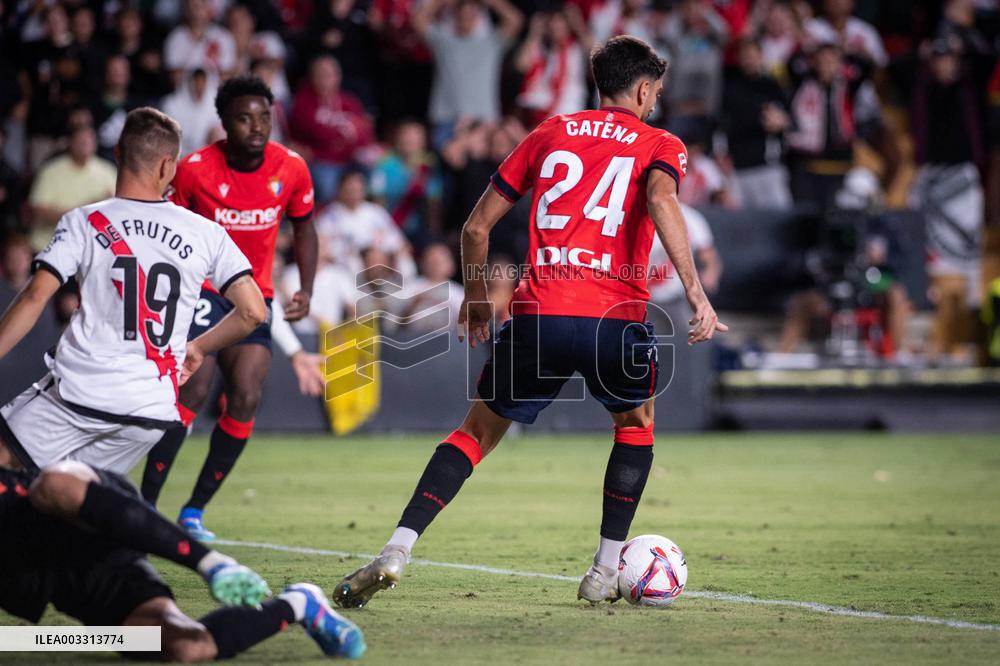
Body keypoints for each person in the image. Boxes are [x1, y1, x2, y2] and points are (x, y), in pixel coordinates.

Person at [335, 35, 726, 608]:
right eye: (655, 92)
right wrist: (696, 292)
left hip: (537, 314)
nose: (655, 101)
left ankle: (398, 547)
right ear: (643, 89)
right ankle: (604, 569)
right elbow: (664, 202)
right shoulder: (659, 143)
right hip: (612, 317)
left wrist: (473, 298)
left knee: (472, 435)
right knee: (636, 423)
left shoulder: (550, 132)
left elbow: (474, 229)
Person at [0, 107, 263, 478]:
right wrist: (198, 347)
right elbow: (253, 312)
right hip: (151, 409)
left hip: (82, 392)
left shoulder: (84, 221)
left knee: (6, 458)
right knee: (73, 496)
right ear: (167, 166)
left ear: (119, 154)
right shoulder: (206, 233)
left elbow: (33, 297)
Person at [138, 77, 318, 542]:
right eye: (244, 118)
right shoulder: (195, 169)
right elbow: (162, 227)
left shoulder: (292, 168)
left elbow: (304, 227)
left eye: (263, 116)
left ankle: (194, 512)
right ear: (224, 123)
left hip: (253, 294)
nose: (256, 126)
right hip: (199, 288)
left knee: (246, 395)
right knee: (194, 389)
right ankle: (145, 503)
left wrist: (307, 287)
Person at [0, 458, 365, 660]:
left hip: (82, 516)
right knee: (187, 647)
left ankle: (212, 562)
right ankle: (300, 604)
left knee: (55, 485)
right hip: (60, 578)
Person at [413, 0, 524, 147]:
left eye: (470, 14)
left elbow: (515, 20)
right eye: (461, 15)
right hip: (447, 120)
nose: (466, 19)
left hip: (483, 122)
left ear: (478, 16)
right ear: (455, 16)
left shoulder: (491, 43)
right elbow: (417, 20)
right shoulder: (444, 42)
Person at [288, 55, 375, 204]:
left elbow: (363, 133)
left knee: (375, 178)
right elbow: (317, 134)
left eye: (330, 74)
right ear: (312, 77)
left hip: (350, 159)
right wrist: (346, 132)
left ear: (338, 76)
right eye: (320, 74)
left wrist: (341, 136)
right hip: (320, 160)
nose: (325, 79)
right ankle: (327, 222)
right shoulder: (303, 101)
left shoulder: (349, 101)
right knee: (328, 187)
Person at [27, 125, 117, 250]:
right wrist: (85, 210)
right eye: (81, 141)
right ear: (70, 143)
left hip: (91, 251)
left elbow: (118, 210)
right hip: (50, 247)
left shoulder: (108, 171)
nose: (85, 145)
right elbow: (38, 212)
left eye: (89, 141)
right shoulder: (51, 171)